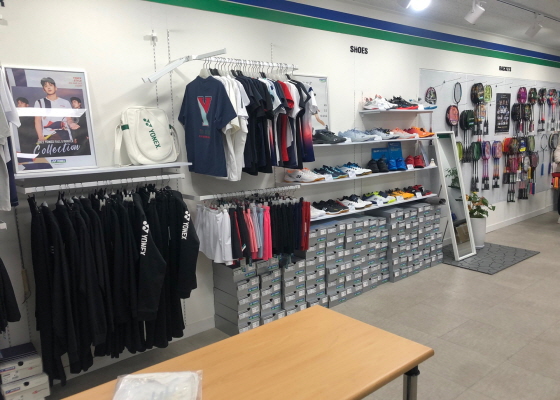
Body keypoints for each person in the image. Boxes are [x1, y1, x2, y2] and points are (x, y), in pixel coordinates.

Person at [34, 77, 76, 141]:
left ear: (56, 88)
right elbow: (37, 121)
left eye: (50, 85)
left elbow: (69, 119)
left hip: (65, 135)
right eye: (46, 86)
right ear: (44, 89)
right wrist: (40, 136)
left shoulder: (65, 102)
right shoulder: (39, 102)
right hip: (47, 135)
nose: (48, 87)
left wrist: (71, 124)